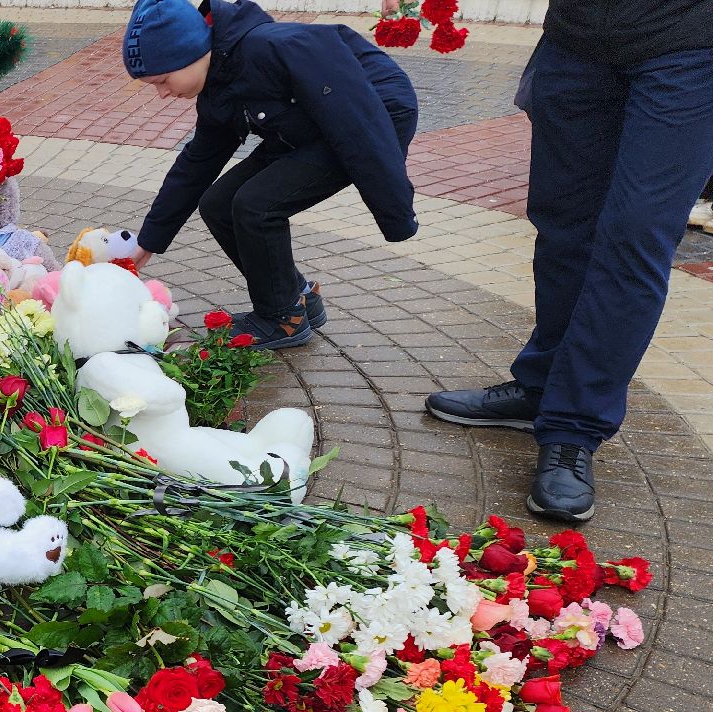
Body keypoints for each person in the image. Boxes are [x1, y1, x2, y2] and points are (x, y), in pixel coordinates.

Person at [425, 1, 713, 524]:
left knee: (633, 238)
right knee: (563, 226)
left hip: (691, 47)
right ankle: (541, 387)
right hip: (575, 41)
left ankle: (573, 428)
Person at [121, 0, 419, 350]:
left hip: (372, 113)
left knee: (256, 206)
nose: (162, 93)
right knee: (218, 204)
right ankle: (298, 296)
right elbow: (196, 164)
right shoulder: (218, 81)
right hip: (306, 125)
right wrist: (149, 241)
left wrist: (395, 211)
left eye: (162, 80)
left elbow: (356, 120)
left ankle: (282, 318)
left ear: (188, 54)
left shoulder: (273, 47)